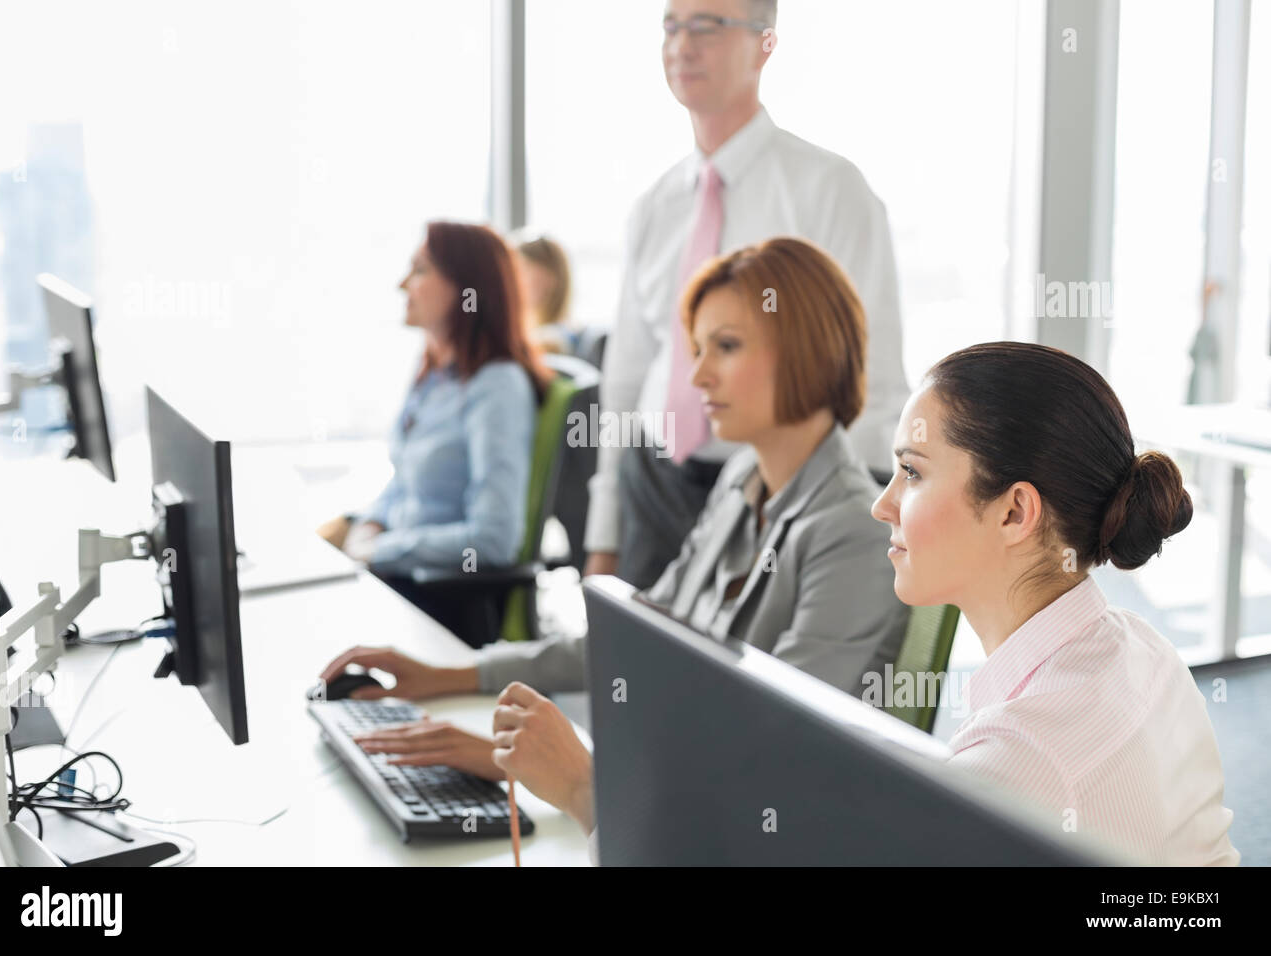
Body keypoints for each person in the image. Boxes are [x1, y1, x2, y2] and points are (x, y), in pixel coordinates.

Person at [493, 342, 1241, 867]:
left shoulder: (1020, 768)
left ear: (1015, 513)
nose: (883, 505)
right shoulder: (1138, 648)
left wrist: (589, 793)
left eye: (912, 474)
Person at [319, 238, 908, 781]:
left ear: (808, 348)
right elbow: (639, 632)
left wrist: (564, 771)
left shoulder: (852, 530)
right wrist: (452, 676)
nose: (698, 376)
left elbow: (767, 743)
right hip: (669, 787)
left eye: (726, 347)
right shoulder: (740, 485)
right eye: (697, 350)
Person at [584, 0, 909, 590]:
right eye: (671, 26)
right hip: (655, 481)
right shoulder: (655, 207)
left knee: (745, 678)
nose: (682, 45)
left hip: (782, 493)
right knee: (627, 670)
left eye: (707, 25)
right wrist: (603, 537)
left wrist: (832, 525)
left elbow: (873, 377)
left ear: (765, 43)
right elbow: (626, 379)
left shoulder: (829, 189)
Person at [316, 222, 552, 635]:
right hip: (396, 577)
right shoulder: (434, 376)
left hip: (438, 599)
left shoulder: (497, 387)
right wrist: (369, 523)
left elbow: (494, 540)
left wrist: (380, 550)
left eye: (420, 270)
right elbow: (403, 482)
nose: (402, 284)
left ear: (466, 289)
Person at [514, 232, 577, 355]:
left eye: (522, 270)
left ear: (550, 279)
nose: (512, 280)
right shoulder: (534, 332)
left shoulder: (551, 339)